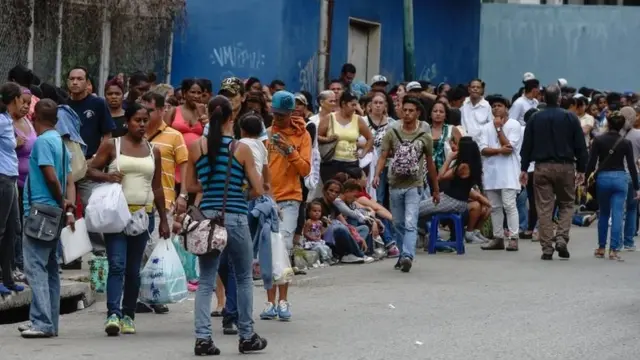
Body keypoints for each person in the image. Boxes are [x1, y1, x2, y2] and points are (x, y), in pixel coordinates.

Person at [180, 95, 267, 355]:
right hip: (236, 216)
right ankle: (246, 335)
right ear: (232, 119)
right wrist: (240, 192)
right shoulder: (241, 149)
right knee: (242, 278)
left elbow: (191, 186)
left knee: (206, 280)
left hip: (207, 218)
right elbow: (258, 188)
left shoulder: (196, 147)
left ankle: (203, 338)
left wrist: (211, 187)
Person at [87, 102, 170, 336]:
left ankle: (129, 315)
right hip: (116, 214)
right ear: (127, 122)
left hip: (143, 215)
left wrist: (163, 219)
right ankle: (113, 314)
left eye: (145, 120)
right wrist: (107, 176)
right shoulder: (112, 145)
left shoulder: (154, 150)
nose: (142, 125)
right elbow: (89, 170)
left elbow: (158, 187)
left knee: (134, 270)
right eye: (137, 120)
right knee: (117, 264)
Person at [20, 99, 76, 338]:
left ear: (35, 117)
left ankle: (41, 322)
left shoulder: (43, 142)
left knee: (35, 267)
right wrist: (67, 205)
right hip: (55, 214)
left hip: (40, 211)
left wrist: (61, 198)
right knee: (51, 267)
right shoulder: (61, 143)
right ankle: (50, 321)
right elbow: (70, 179)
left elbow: (51, 177)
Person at [520, 84, 588, 260]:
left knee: (544, 207)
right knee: (566, 203)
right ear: (559, 98)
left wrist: (523, 168)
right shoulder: (571, 118)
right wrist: (582, 169)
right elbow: (580, 146)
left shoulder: (535, 118)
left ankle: (547, 247)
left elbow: (526, 145)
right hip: (566, 166)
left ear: (543, 98)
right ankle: (562, 238)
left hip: (541, 167)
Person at [373, 96, 440, 273]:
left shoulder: (425, 136)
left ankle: (408, 256)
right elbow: (383, 156)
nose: (408, 113)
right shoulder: (392, 133)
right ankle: (403, 254)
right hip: (394, 184)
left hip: (415, 184)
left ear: (418, 113)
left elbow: (430, 163)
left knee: (411, 222)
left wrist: (435, 188)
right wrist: (377, 175)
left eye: (411, 111)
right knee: (398, 223)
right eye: (405, 110)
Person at [261, 90, 311, 322]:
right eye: (274, 114)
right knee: (268, 250)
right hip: (266, 198)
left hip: (290, 198)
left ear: (291, 113)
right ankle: (270, 302)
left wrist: (289, 150)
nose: (277, 119)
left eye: (282, 115)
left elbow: (305, 170)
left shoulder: (302, 136)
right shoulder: (266, 133)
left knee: (284, 245)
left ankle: (283, 300)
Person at [67, 66, 115, 255]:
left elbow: (107, 135)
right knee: (67, 208)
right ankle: (71, 253)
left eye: (80, 79)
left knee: (92, 208)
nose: (75, 82)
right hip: (68, 167)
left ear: (88, 83)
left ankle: (99, 252)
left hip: (90, 167)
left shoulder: (98, 104)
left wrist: (97, 159)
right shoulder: (63, 106)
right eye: (72, 79)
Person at [585, 111, 640, 261]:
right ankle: (614, 250)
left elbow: (591, 163)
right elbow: (632, 166)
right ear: (622, 126)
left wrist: (585, 180)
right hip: (620, 178)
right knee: (617, 214)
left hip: (603, 178)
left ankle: (601, 247)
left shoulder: (598, 140)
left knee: (603, 213)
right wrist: (636, 187)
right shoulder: (625, 142)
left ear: (608, 124)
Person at [478, 95, 523, 251]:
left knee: (509, 205)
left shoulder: (514, 125)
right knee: (495, 207)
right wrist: (498, 150)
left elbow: (509, 149)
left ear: (506, 108)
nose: (496, 108)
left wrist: (498, 129)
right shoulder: (485, 127)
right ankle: (498, 237)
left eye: (499, 105)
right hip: (491, 173)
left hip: (509, 173)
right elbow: (483, 150)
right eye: (494, 106)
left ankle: (513, 237)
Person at [0, 82, 24, 295]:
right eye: (21, 100)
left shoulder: (7, 120)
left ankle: (7, 278)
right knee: (0, 229)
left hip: (10, 177)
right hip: (2, 178)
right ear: (14, 100)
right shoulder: (0, 121)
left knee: (11, 230)